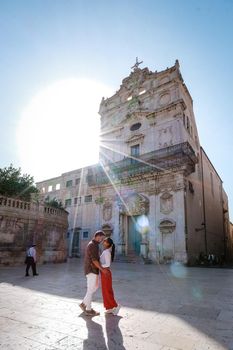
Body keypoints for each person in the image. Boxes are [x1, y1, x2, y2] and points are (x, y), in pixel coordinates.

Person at [79, 230, 108, 316]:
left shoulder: (94, 245)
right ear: (97, 236)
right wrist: (102, 269)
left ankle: (84, 304)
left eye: (103, 239)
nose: (102, 240)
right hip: (91, 269)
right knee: (91, 288)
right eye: (101, 238)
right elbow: (94, 260)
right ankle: (88, 309)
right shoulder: (92, 245)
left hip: (92, 270)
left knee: (93, 287)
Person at [100, 237, 120, 315]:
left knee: (107, 291)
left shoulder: (107, 252)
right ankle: (110, 307)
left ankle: (116, 305)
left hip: (106, 273)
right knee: (105, 291)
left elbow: (108, 264)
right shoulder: (106, 251)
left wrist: (99, 265)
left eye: (105, 241)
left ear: (108, 244)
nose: (103, 242)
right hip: (104, 272)